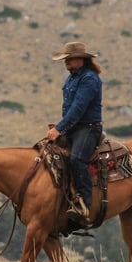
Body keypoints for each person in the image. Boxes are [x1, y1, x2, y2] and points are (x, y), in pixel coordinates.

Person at [46, 41, 103, 227]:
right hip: (73, 128)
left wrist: (59, 129)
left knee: (77, 158)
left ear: (80, 59)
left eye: (69, 59)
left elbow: (78, 108)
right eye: (66, 60)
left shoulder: (89, 79)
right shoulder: (71, 78)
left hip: (88, 128)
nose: (66, 63)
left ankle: (84, 205)